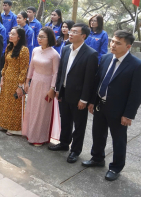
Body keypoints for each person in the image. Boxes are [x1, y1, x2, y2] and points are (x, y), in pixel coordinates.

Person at [82, 30, 141, 181]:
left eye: (118, 43)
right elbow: (98, 81)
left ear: (128, 47)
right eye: (112, 41)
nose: (113, 45)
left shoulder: (136, 65)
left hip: (119, 110)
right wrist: (93, 101)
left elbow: (136, 93)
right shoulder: (107, 58)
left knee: (118, 139)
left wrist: (128, 114)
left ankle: (115, 167)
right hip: (101, 105)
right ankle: (97, 158)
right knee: (97, 133)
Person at [49, 23, 98, 164]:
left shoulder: (90, 54)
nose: (70, 33)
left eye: (75, 32)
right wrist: (58, 89)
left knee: (79, 125)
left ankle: (75, 151)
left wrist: (84, 99)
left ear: (83, 36)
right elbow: (61, 72)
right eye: (70, 31)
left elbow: (90, 80)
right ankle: (64, 143)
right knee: (65, 120)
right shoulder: (65, 49)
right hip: (64, 92)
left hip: (79, 97)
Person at [23, 27, 60, 145]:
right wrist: (27, 81)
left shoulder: (54, 55)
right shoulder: (35, 50)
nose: (39, 38)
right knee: (32, 108)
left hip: (46, 84)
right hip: (35, 82)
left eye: (42, 37)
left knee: (42, 111)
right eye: (39, 36)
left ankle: (40, 137)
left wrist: (52, 88)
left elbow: (56, 73)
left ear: (49, 38)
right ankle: (30, 132)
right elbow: (31, 66)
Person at [0, 27, 29, 135]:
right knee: (5, 102)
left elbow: (24, 68)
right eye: (10, 33)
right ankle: (4, 124)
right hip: (7, 79)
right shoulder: (9, 47)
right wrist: (2, 78)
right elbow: (5, 64)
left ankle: (14, 128)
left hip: (16, 81)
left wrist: (20, 85)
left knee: (14, 104)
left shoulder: (24, 50)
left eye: (13, 34)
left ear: (19, 37)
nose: (10, 35)